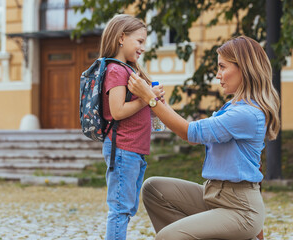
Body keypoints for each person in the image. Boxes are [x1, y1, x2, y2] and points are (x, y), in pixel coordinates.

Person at [128, 35, 280, 240]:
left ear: (243, 68)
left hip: (239, 209)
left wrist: (151, 99)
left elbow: (190, 133)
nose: (218, 75)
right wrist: (160, 104)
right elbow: (195, 133)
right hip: (213, 195)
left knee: (168, 237)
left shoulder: (246, 114)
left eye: (222, 67)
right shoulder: (233, 107)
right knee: (154, 189)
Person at [100, 14, 165, 240]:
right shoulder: (116, 70)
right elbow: (117, 111)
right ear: (121, 38)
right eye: (139, 41)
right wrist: (146, 98)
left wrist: (153, 98)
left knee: (125, 209)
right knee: (119, 210)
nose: (142, 47)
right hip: (123, 149)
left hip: (132, 150)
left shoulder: (128, 69)